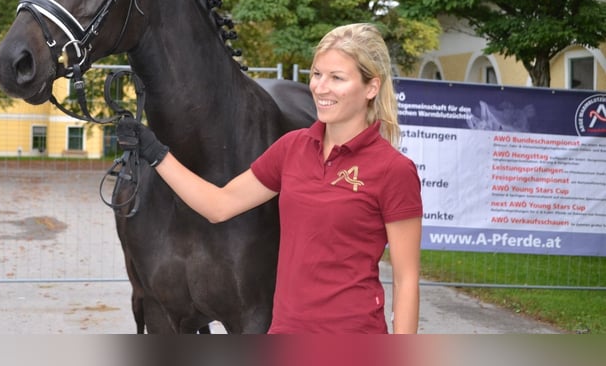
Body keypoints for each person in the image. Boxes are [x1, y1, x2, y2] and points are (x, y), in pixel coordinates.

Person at [117, 23, 423, 334]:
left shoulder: (394, 170)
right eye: (317, 74)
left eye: (337, 78)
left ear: (371, 87)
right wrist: (156, 153)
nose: (320, 87)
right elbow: (218, 205)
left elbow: (406, 279)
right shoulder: (292, 148)